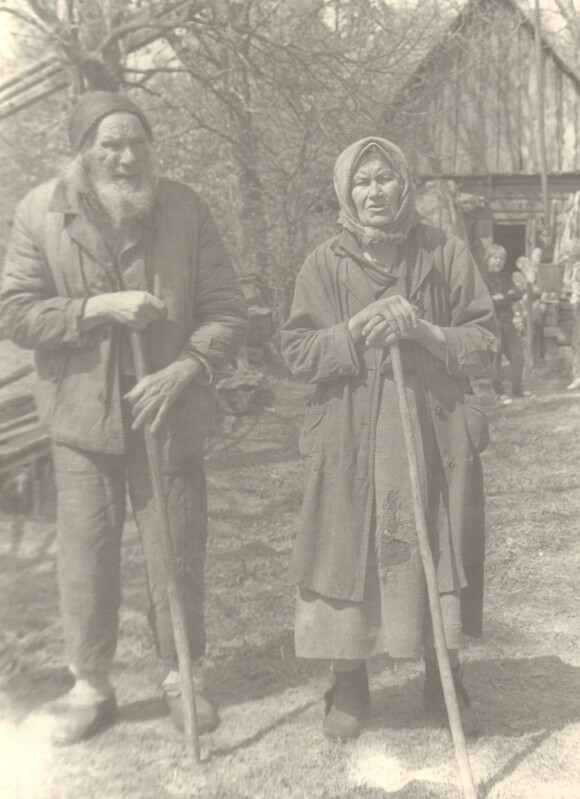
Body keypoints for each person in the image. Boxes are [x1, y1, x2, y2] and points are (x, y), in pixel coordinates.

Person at [0, 92, 248, 744]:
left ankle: (182, 676)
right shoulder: (40, 212)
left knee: (178, 549)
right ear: (83, 151)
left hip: (168, 411)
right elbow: (17, 312)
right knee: (86, 554)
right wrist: (98, 307)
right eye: (110, 144)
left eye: (136, 141)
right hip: (81, 419)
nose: (126, 156)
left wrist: (188, 365)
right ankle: (91, 684)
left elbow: (227, 308)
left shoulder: (185, 209)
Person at [281, 137, 498, 740]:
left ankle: (442, 673)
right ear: (345, 192)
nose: (374, 192)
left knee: (436, 543)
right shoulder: (324, 264)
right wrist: (353, 330)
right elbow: (297, 353)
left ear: (404, 185)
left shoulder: (444, 252)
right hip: (351, 437)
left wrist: (426, 332)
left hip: (432, 433)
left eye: (385, 180)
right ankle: (349, 681)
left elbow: (484, 339)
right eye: (362, 182)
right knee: (346, 552)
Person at [485, 244, 526, 405]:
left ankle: (517, 389)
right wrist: (504, 296)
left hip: (507, 322)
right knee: (495, 360)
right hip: (491, 323)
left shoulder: (506, 277)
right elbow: (486, 301)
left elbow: (517, 294)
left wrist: (500, 297)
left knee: (518, 357)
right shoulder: (482, 278)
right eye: (495, 258)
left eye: (502, 259)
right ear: (488, 259)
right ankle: (499, 393)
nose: (499, 262)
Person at [564, 239, 580, 390]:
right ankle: (577, 375)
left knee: (577, 342)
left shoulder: (577, 268)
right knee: (576, 342)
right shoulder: (573, 267)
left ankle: (577, 376)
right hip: (576, 304)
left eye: (569, 254)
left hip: (578, 305)